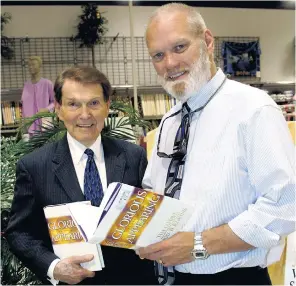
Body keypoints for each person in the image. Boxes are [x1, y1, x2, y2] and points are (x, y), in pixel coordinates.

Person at [138, 3, 295, 285]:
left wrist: (199, 244)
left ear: (207, 41)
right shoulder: (170, 121)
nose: (170, 64)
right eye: (158, 55)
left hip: (234, 278)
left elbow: (284, 205)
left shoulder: (254, 110)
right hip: (174, 277)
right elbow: (156, 192)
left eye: (179, 47)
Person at [6, 66, 157, 285]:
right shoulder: (35, 166)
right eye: (73, 104)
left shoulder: (134, 157)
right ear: (59, 109)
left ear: (107, 107)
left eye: (94, 103)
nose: (85, 114)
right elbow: (19, 233)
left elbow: (148, 216)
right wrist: (54, 267)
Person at [21, 56, 55, 137]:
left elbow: (55, 101)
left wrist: (47, 109)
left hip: (44, 122)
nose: (30, 67)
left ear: (40, 66)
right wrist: (24, 121)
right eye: (29, 65)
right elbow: (24, 105)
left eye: (33, 64)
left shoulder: (47, 84)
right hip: (30, 123)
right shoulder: (26, 85)